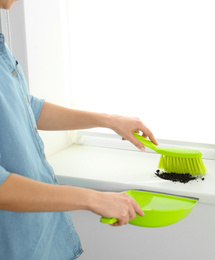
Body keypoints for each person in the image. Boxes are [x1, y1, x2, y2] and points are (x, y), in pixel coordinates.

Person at [0, 0, 158, 259]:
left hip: (39, 238)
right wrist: (92, 199)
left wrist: (109, 120)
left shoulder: (1, 46)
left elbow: (25, 107)